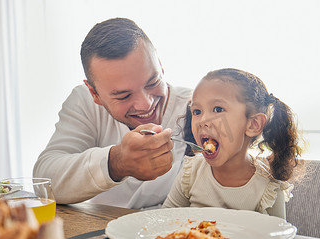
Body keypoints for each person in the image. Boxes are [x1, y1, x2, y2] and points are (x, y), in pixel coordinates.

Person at [33, 18, 192, 209]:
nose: (145, 104)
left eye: (152, 82)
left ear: (160, 64)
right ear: (95, 94)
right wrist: (116, 162)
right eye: (124, 96)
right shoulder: (84, 103)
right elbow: (45, 182)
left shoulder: (197, 109)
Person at [162, 68, 302, 218]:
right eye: (197, 111)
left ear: (253, 124)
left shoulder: (269, 187)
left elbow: (277, 238)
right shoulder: (191, 172)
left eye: (217, 109)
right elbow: (164, 220)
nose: (202, 121)